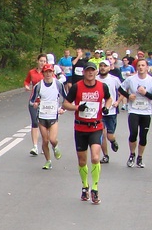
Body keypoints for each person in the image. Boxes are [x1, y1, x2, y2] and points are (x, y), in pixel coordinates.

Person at [62, 62, 111, 204]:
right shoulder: (77, 87)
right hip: (80, 128)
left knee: (95, 157)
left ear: (96, 72)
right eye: (87, 71)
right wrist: (77, 107)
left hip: (96, 127)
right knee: (82, 160)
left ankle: (95, 188)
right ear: (83, 72)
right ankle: (85, 186)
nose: (90, 73)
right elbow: (65, 104)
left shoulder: (102, 86)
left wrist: (106, 107)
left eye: (92, 71)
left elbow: (109, 98)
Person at [118, 58, 152, 169]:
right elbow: (120, 89)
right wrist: (128, 96)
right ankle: (132, 154)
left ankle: (140, 157)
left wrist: (145, 93)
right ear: (136, 68)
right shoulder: (131, 79)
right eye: (139, 66)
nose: (141, 67)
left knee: (143, 136)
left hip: (146, 112)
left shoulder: (151, 81)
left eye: (143, 65)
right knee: (133, 133)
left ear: (147, 67)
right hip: (134, 111)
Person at [29, 63, 65, 169]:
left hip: (53, 116)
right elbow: (31, 100)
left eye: (50, 71)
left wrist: (63, 109)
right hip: (42, 116)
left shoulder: (58, 84)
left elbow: (66, 98)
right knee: (45, 140)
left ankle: (55, 147)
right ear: (43, 73)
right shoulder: (39, 86)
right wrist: (35, 104)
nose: (48, 74)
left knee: (53, 139)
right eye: (46, 72)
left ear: (53, 73)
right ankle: (48, 161)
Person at [97, 60, 123, 163]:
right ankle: (105, 155)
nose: (103, 68)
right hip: (99, 111)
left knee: (109, 135)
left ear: (109, 68)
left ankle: (113, 141)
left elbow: (123, 92)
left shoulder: (114, 79)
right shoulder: (95, 79)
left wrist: (117, 101)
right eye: (101, 66)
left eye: (105, 66)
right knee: (101, 134)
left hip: (111, 111)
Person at [23, 55, 48, 156]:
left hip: (45, 102)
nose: (42, 63)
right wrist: (26, 86)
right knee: (34, 122)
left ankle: (44, 145)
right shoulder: (32, 72)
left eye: (44, 61)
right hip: (33, 101)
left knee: (45, 124)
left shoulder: (48, 73)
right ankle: (35, 146)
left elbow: (54, 83)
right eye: (41, 61)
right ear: (37, 61)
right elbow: (26, 81)